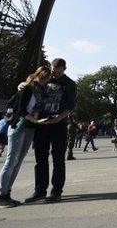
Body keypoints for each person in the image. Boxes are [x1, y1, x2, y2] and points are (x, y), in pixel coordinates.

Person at [0, 66, 51, 208]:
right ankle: (1, 195)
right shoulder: (26, 89)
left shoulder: (40, 91)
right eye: (44, 77)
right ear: (37, 76)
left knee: (18, 161)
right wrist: (36, 120)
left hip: (30, 128)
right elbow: (20, 110)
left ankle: (7, 193)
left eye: (47, 78)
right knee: (11, 160)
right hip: (19, 127)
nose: (45, 81)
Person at [24, 58, 77, 204]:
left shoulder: (70, 84)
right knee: (40, 158)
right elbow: (30, 85)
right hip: (42, 123)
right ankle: (40, 190)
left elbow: (70, 106)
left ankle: (56, 191)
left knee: (58, 158)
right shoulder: (45, 80)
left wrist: (59, 118)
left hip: (58, 124)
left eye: (57, 69)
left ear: (64, 69)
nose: (54, 72)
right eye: (53, 69)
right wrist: (21, 85)